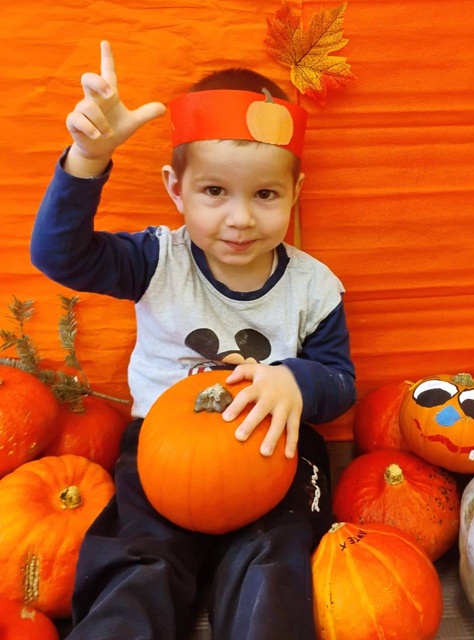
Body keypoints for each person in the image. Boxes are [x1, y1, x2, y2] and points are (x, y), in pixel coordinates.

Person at [30, 40, 356, 640]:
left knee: (273, 558)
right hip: (163, 450)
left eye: (265, 194)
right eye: (214, 192)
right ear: (176, 189)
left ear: (295, 192)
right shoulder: (158, 260)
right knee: (137, 557)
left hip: (273, 450)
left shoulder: (313, 287)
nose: (240, 218)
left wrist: (295, 381)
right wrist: (87, 159)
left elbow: (340, 381)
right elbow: (59, 255)